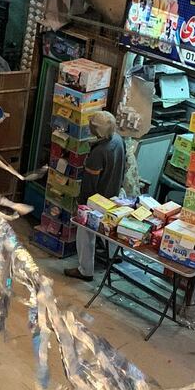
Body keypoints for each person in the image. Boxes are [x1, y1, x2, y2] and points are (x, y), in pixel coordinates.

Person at [65, 110, 126, 282]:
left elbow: (90, 183)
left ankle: (85, 270)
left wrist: (82, 204)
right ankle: (114, 256)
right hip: (114, 195)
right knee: (111, 229)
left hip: (97, 201)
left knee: (85, 234)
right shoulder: (118, 140)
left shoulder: (98, 153)